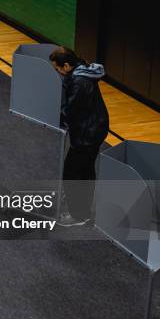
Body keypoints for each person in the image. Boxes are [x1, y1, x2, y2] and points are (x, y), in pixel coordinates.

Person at [49, 46, 109, 226]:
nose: (57, 72)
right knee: (85, 170)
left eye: (57, 68)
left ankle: (79, 215)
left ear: (66, 65)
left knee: (73, 172)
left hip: (87, 133)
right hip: (94, 128)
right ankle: (82, 208)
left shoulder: (79, 82)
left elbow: (70, 110)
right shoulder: (81, 71)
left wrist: (54, 115)